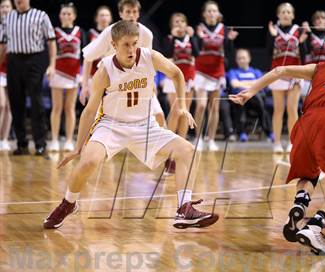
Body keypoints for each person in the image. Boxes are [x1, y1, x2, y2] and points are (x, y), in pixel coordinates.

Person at [43, 20, 219, 230]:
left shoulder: (149, 57)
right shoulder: (105, 70)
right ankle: (68, 203)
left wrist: (181, 106)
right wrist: (78, 147)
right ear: (114, 45)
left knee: (187, 150)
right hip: (111, 124)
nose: (131, 49)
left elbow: (177, 74)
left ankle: (184, 209)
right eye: (126, 44)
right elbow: (90, 110)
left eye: (134, 43)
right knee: (88, 162)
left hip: (144, 125)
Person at [230, 27, 325, 255]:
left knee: (309, 173)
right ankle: (314, 227)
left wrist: (250, 92)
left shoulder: (321, 67)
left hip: (305, 121)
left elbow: (280, 70)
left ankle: (300, 204)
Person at [80, 0, 166, 127]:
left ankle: (159, 145)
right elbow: (88, 56)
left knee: (158, 115)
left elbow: (148, 62)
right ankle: (89, 144)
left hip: (136, 81)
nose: (131, 15)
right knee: (100, 120)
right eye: (128, 12)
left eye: (134, 11)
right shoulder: (110, 32)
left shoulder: (147, 34)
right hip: (111, 81)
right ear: (120, 14)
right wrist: (85, 85)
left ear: (138, 13)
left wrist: (152, 83)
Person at [0, 0, 57, 156]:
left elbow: (51, 41)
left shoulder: (41, 15)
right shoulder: (7, 18)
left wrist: (52, 64)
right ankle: (22, 143)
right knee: (16, 103)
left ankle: (40, 144)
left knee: (37, 102)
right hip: (14, 61)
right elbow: (3, 44)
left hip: (35, 59)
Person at [194, 0, 238, 151]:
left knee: (214, 107)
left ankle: (211, 139)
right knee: (201, 105)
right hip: (201, 70)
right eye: (209, 11)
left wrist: (230, 41)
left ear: (218, 14)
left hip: (217, 71)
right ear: (204, 14)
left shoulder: (224, 29)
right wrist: (198, 38)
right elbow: (196, 51)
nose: (212, 13)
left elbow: (228, 53)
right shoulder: (199, 28)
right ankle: (198, 138)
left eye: (214, 11)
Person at [266, 2, 305, 153]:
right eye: (283, 12)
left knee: (292, 109)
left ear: (293, 15)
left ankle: (292, 141)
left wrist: (302, 42)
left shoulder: (299, 30)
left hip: (295, 73)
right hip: (278, 73)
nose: (286, 14)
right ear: (278, 15)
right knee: (278, 109)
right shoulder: (273, 30)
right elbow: (269, 53)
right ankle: (276, 142)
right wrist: (272, 37)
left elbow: (304, 52)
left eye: (289, 12)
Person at [49, 3, 86, 152]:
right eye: (63, 13)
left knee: (70, 108)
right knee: (57, 107)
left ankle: (70, 140)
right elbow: (50, 53)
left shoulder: (80, 32)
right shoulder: (54, 31)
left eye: (69, 14)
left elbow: (85, 55)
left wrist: (83, 74)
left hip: (74, 73)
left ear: (74, 16)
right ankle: (54, 140)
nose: (66, 16)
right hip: (58, 72)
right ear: (59, 15)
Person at [227, 49, 272, 141]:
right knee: (240, 104)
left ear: (249, 59)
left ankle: (269, 132)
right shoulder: (233, 72)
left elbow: (262, 83)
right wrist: (253, 84)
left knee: (261, 103)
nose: (241, 60)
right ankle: (242, 133)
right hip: (240, 98)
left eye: (243, 58)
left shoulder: (255, 72)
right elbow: (235, 84)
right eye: (239, 58)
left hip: (257, 98)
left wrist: (243, 84)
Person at [81, 5, 113, 95]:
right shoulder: (89, 34)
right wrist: (85, 81)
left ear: (110, 18)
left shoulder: (114, 33)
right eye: (102, 15)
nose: (104, 18)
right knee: (95, 107)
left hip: (110, 75)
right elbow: (85, 57)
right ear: (96, 18)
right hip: (93, 75)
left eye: (107, 15)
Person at [0, 0, 13, 151]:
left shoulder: (17, 28)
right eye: (2, 6)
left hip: (12, 71)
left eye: (7, 6)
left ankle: (4, 139)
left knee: (10, 106)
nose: (5, 9)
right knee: (1, 105)